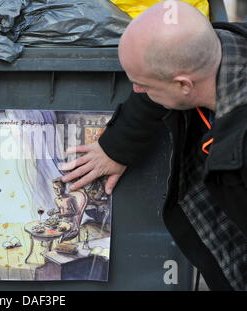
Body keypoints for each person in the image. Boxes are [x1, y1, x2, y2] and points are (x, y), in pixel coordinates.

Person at [61, 1, 246, 290]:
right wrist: (117, 145)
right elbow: (159, 71)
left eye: (142, 85)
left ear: (184, 85)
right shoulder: (223, 48)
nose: (137, 92)